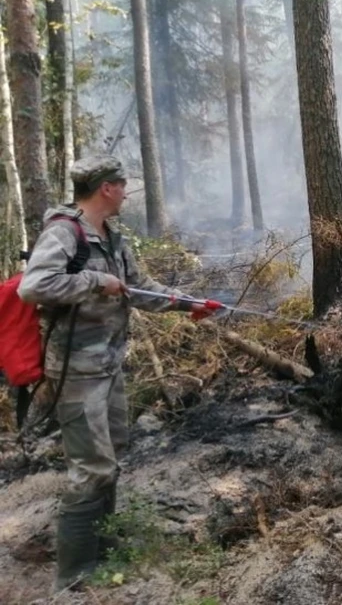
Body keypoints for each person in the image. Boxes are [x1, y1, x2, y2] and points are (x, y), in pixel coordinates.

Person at [17, 155, 218, 591]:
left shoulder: (113, 238)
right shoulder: (64, 233)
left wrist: (189, 304)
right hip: (75, 371)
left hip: (108, 367)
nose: (127, 191)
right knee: (92, 466)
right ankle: (73, 578)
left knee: (112, 455)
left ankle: (102, 547)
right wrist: (93, 282)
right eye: (123, 184)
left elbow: (139, 288)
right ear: (106, 187)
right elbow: (33, 287)